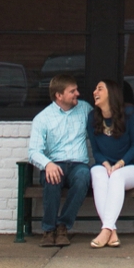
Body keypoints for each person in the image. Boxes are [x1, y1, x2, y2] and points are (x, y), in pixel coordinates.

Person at [28, 74, 92, 247]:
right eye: (72, 91)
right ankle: (48, 230)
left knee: (83, 176)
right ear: (59, 95)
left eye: (76, 89)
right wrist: (48, 164)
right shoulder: (42, 118)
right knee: (51, 179)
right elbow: (33, 151)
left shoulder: (85, 109)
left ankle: (63, 226)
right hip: (55, 164)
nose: (77, 93)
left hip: (78, 164)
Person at [87, 78, 134, 248]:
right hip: (107, 166)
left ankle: (105, 229)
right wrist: (105, 164)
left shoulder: (130, 113)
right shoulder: (93, 117)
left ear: (111, 93)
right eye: (95, 89)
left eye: (100, 89)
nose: (94, 93)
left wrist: (120, 164)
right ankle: (111, 231)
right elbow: (96, 151)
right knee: (97, 173)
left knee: (116, 177)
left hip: (132, 168)